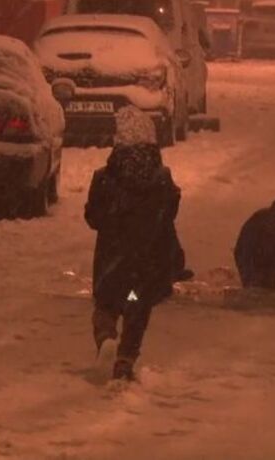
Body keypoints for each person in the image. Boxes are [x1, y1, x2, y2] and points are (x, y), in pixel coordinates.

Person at [84, 106, 182, 381]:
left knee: (106, 306)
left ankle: (105, 338)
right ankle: (126, 358)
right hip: (144, 266)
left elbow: (93, 217)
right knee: (136, 309)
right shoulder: (161, 178)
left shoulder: (104, 178)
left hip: (111, 265)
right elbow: (169, 214)